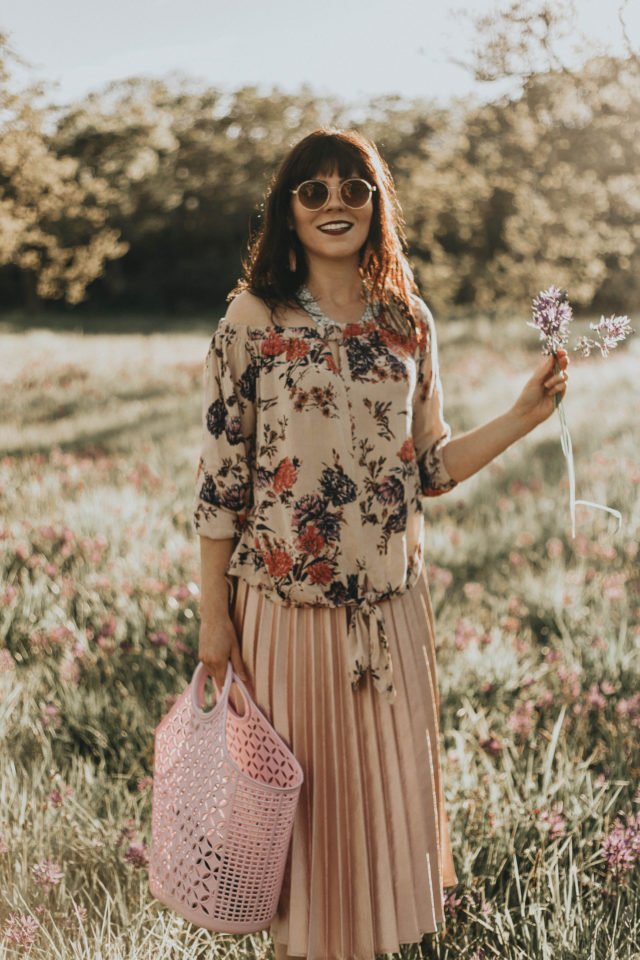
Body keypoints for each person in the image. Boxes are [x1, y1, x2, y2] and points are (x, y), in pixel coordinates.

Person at [193, 129, 569, 960]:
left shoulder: (407, 320)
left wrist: (519, 417)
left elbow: (428, 467)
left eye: (354, 188)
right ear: (288, 211)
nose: (335, 204)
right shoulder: (252, 320)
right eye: (314, 190)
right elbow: (221, 481)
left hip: (391, 616)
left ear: (377, 204)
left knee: (379, 816)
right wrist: (213, 617)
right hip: (286, 614)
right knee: (307, 823)